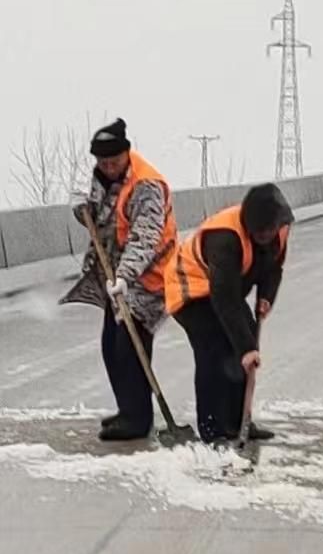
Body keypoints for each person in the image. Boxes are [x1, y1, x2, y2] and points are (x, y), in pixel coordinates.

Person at [61, 118, 178, 441]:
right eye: (102, 162)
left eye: (113, 161)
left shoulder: (147, 185)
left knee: (131, 346)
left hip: (149, 277)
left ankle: (138, 420)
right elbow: (101, 218)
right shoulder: (104, 176)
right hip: (117, 276)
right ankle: (129, 410)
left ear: (127, 154)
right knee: (111, 346)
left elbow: (145, 237)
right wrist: (80, 209)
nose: (108, 168)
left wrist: (125, 276)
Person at [164, 184, 294, 443]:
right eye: (260, 232)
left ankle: (238, 421)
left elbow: (274, 267)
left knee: (242, 348)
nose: (266, 236)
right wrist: (246, 348)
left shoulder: (280, 230)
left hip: (225, 292)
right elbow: (223, 298)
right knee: (215, 351)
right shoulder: (224, 236)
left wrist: (266, 296)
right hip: (188, 290)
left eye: (270, 231)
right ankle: (212, 428)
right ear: (249, 225)